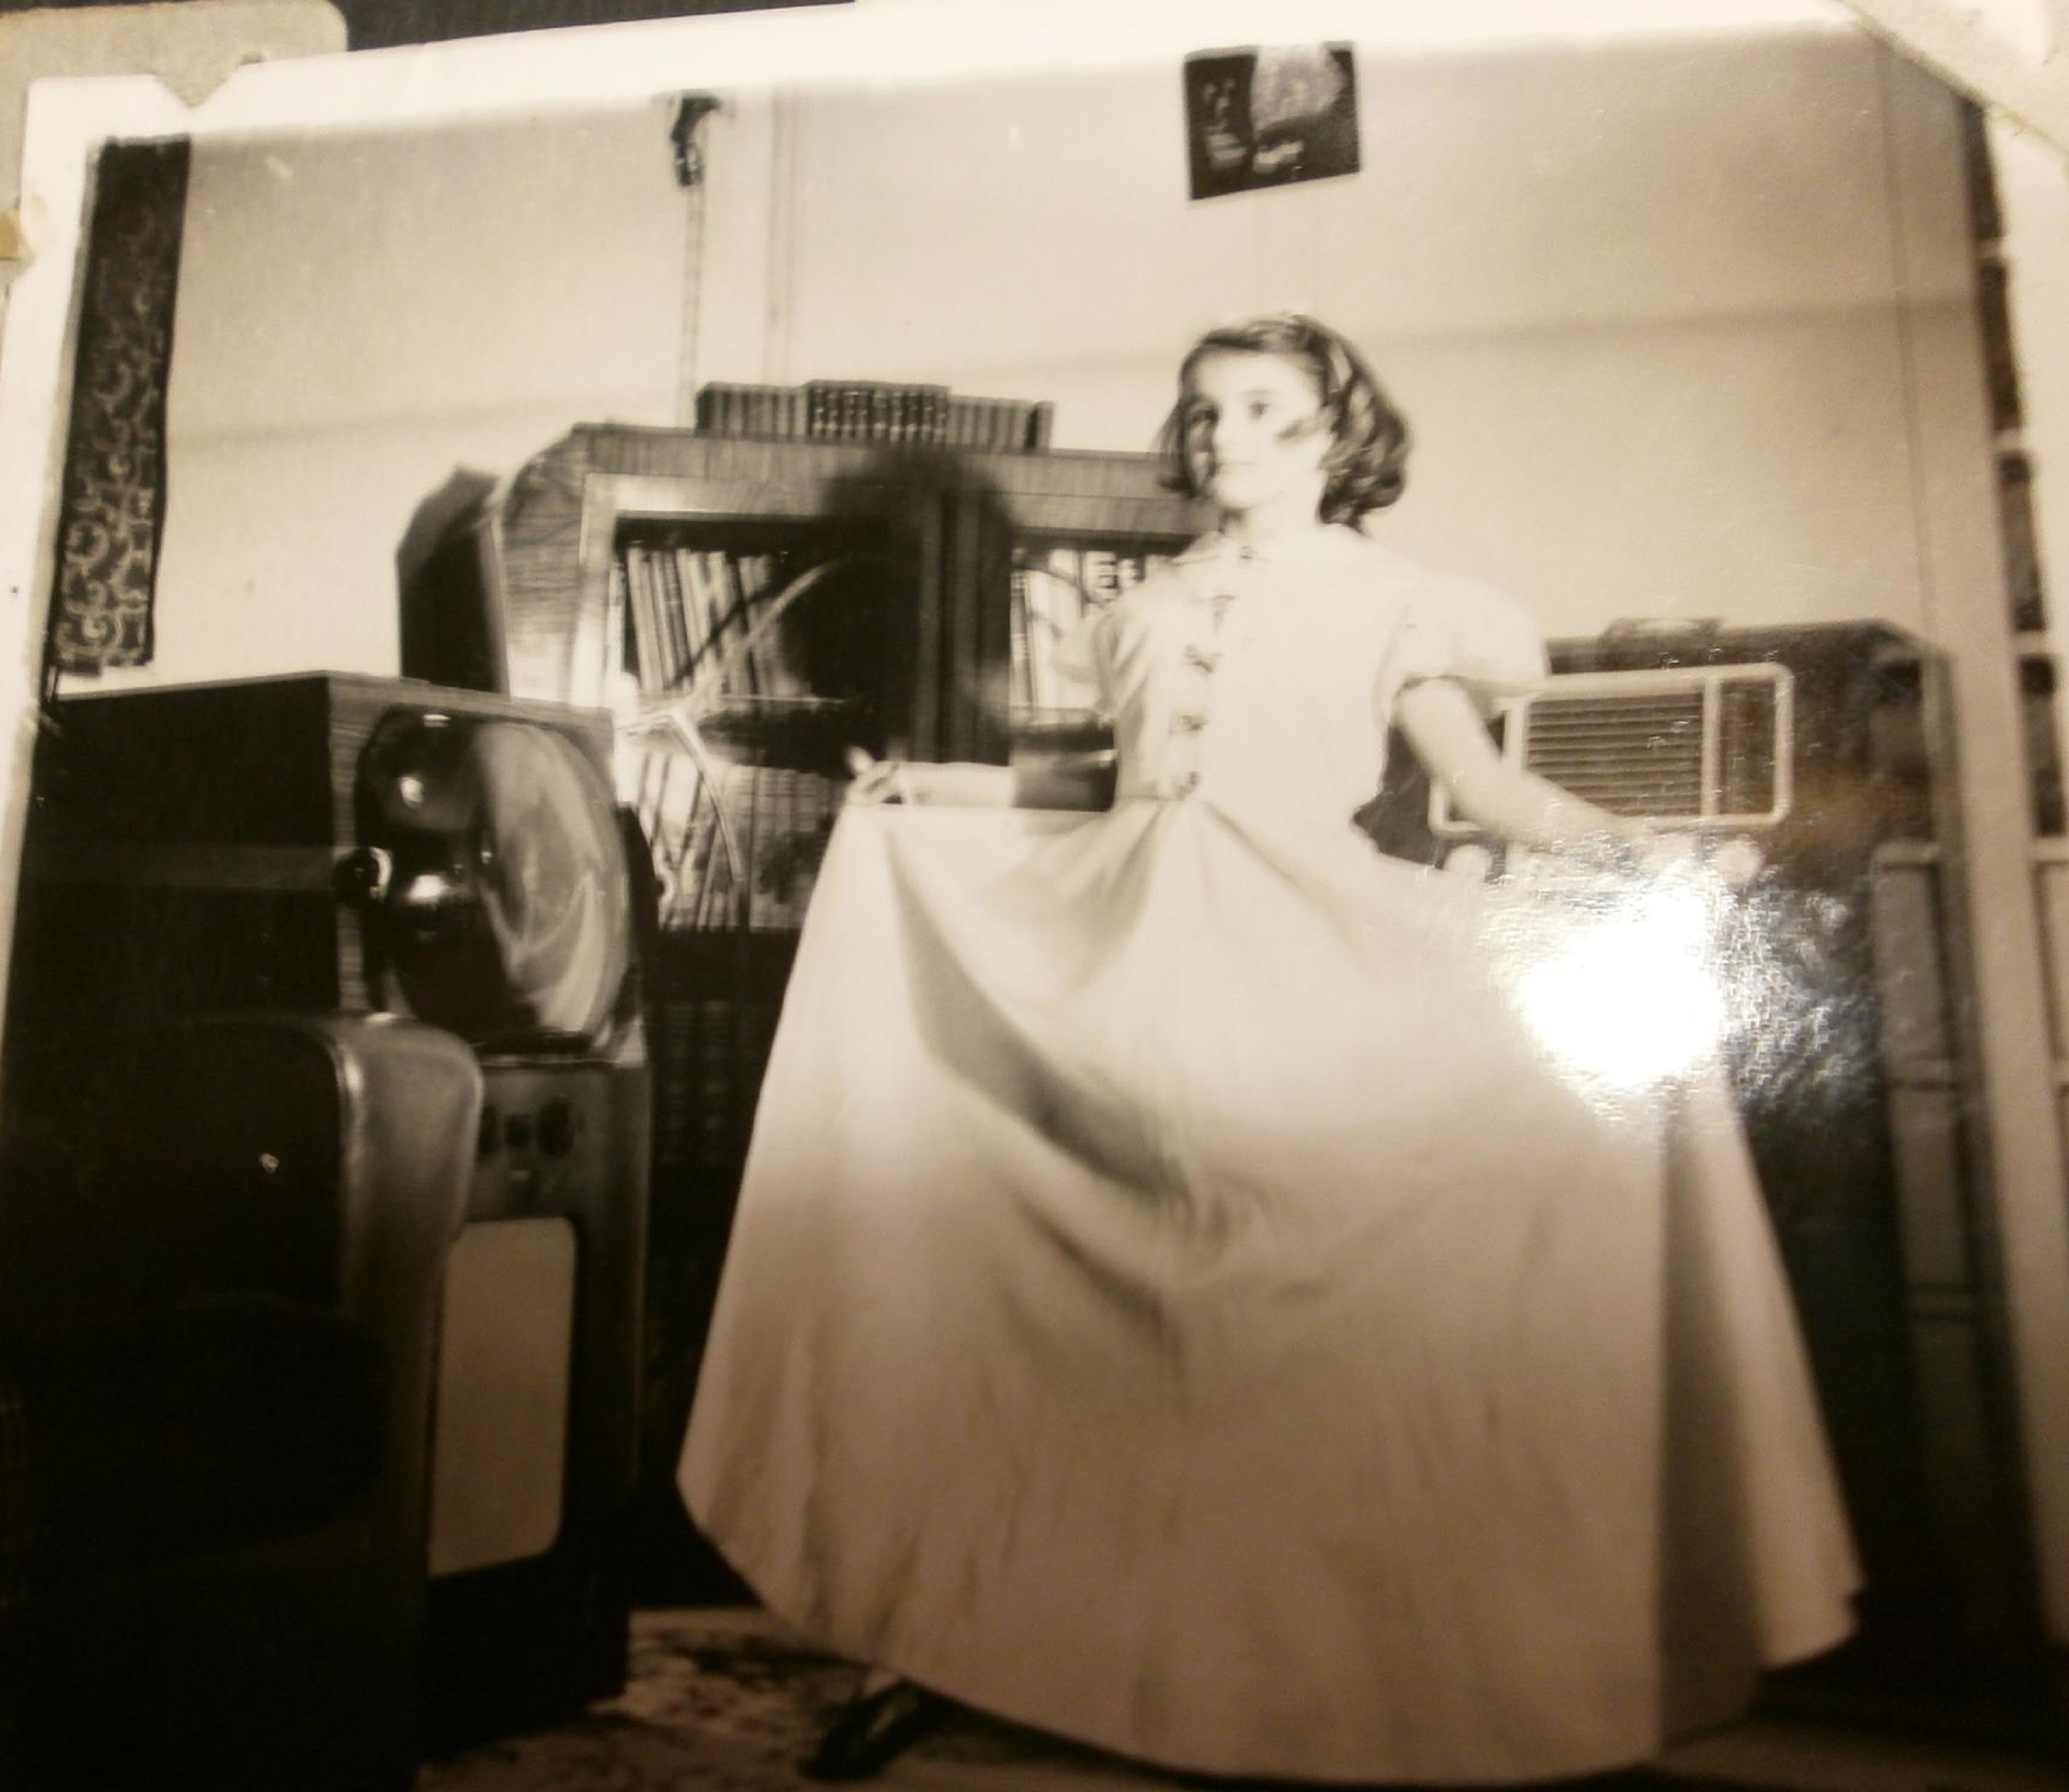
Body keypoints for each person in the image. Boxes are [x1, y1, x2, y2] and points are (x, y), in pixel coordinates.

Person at [678, 313, 1859, 1786]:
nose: (1218, 432)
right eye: (1203, 409)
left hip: (1295, 963)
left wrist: (1661, 857)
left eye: (1257, 407)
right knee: (1060, 1308)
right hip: (1115, 968)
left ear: (1332, 437)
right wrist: (940, 785)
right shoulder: (1140, 606)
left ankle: (1348, 1686)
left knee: (1282, 1327)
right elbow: (1104, 784)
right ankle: (950, 1634)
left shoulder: (1400, 604)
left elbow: (1484, 790)